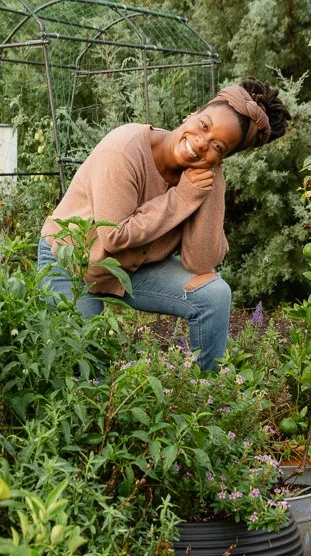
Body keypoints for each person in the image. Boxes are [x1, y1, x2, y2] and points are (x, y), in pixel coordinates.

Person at [36, 77, 291, 371]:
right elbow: (114, 235)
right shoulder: (124, 150)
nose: (200, 143)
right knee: (89, 370)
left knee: (214, 295)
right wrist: (181, 197)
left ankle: (205, 398)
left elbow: (201, 261)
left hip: (132, 269)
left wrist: (212, 180)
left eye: (217, 146)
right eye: (204, 126)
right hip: (71, 263)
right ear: (192, 114)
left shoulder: (202, 174)